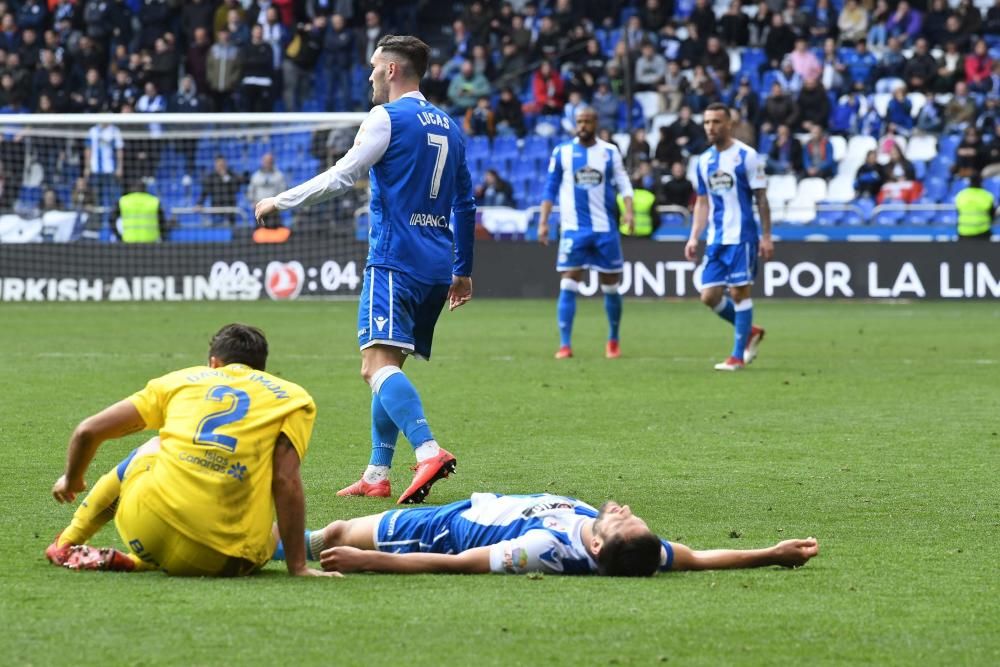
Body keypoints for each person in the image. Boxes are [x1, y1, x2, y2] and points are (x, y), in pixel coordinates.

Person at [253, 35, 475, 505]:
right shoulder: (452, 127)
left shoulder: (386, 117)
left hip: (394, 260)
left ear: (393, 70)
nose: (370, 74)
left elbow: (342, 175)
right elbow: (465, 203)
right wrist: (464, 268)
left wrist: (280, 200)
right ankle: (377, 472)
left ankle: (428, 450)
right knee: (385, 364)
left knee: (375, 365)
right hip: (437, 264)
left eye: (375, 67)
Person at [45, 324, 333, 578]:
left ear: (213, 363)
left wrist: (73, 480)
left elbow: (88, 431)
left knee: (155, 444)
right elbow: (285, 480)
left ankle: (68, 542)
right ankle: (140, 563)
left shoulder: (179, 380)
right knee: (265, 535)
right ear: (261, 369)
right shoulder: (293, 398)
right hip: (227, 561)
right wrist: (298, 567)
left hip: (145, 527)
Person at [281, 492, 819, 577]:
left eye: (620, 519)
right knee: (333, 530)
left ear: (596, 545)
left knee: (336, 531)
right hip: (482, 504)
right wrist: (770, 553)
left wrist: (375, 562)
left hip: (443, 530)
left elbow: (461, 563)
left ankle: (255, 544)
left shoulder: (544, 551)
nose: (624, 508)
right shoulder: (643, 554)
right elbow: (700, 558)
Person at [537, 107, 634, 360]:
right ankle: (565, 344)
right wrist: (543, 221)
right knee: (568, 282)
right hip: (574, 230)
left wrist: (629, 212)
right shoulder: (563, 152)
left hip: (605, 229)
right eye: (579, 121)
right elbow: (550, 188)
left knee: (611, 286)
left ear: (596, 123)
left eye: (587, 121)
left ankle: (613, 340)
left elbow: (624, 182)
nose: (582, 125)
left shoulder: (609, 152)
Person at [685, 103, 772, 372]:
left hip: (742, 237)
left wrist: (766, 236)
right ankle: (751, 331)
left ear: (729, 124)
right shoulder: (703, 161)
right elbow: (702, 201)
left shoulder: (747, 156)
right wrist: (693, 236)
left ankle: (736, 356)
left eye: (716, 122)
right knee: (709, 296)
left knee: (738, 293)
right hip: (716, 238)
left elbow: (761, 197)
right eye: (707, 122)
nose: (711, 127)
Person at [954, 173, 996, 241]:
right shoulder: (987, 195)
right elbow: (992, 215)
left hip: (963, 232)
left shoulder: (961, 195)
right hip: (982, 232)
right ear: (981, 182)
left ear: (969, 181)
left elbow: (958, 213)